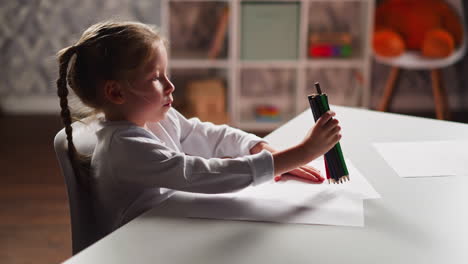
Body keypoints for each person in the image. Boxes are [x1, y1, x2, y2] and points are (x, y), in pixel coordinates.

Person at [56, 21, 342, 235]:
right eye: (156, 78)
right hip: (140, 246)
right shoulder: (124, 149)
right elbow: (200, 175)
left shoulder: (157, 116)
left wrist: (256, 147)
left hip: (168, 225)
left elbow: (202, 133)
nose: (170, 86)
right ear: (117, 93)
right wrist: (301, 153)